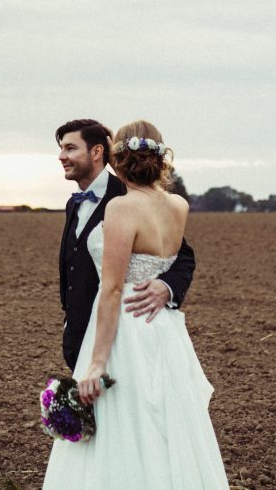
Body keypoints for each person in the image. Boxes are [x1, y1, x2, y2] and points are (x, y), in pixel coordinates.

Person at [44, 119, 229, 489]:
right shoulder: (177, 204)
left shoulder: (121, 205)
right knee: (163, 424)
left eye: (70, 148)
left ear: (110, 156)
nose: (62, 156)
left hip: (123, 327)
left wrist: (96, 363)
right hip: (163, 332)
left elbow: (114, 287)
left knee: (123, 427)